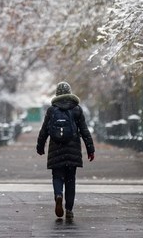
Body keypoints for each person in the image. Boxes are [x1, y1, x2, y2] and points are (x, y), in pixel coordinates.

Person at [36, 81, 95, 220]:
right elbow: (84, 130)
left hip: (56, 149)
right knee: (70, 180)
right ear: (69, 92)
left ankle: (58, 195)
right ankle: (69, 209)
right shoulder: (76, 109)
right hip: (72, 149)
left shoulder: (51, 110)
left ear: (57, 94)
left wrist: (40, 146)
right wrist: (90, 149)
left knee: (57, 176)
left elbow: (44, 130)